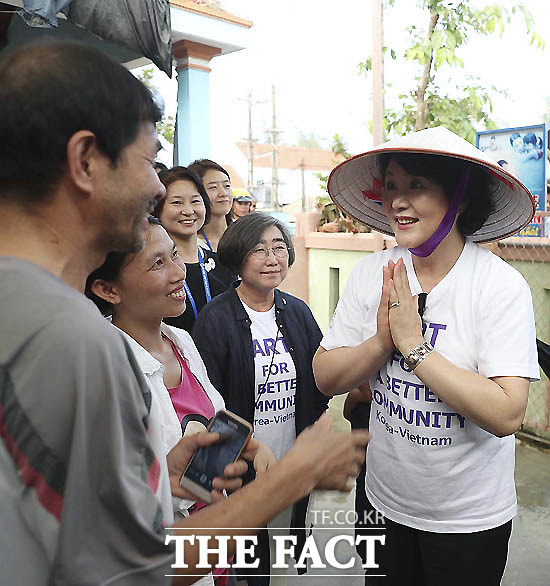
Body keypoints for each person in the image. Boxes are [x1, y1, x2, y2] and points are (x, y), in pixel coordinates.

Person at [0, 40, 371, 585]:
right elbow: (138, 568)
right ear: (84, 161)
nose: (158, 185)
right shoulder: (75, 341)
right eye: (149, 161)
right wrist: (292, 477)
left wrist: (156, 478)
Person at [313, 126, 539, 585]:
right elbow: (325, 376)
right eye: (391, 185)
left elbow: (507, 412)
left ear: (458, 196)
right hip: (382, 503)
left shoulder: (497, 286)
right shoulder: (373, 272)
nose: (398, 200)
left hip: (467, 521)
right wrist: (381, 342)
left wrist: (415, 348)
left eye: (416, 185)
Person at [87, 216, 276, 586]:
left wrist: (251, 446)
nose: (179, 273)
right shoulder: (103, 369)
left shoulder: (181, 342)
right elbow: (110, 493)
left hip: (214, 546)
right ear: (109, 289)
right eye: (157, 263)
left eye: (175, 255)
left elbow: (210, 421)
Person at [192, 213, 330, 577]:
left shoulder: (296, 311)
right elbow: (209, 404)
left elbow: (320, 382)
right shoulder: (215, 318)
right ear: (238, 256)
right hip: (239, 464)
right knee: (249, 561)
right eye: (259, 249)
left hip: (289, 456)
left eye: (280, 248)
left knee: (286, 538)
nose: (273, 258)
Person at [154, 166, 234, 332]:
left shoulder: (225, 263)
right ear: (158, 209)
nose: (188, 211)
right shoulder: (153, 269)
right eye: (177, 202)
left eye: (196, 201)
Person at [188, 158, 233, 252]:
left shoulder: (245, 236)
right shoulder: (193, 245)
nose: (223, 193)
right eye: (213, 187)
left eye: (227, 186)